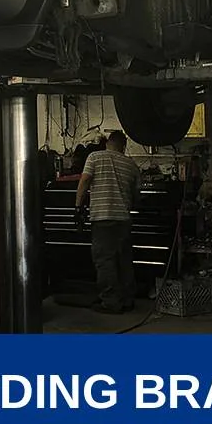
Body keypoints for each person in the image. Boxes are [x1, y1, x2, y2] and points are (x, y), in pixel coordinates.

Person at [74, 130, 141, 314]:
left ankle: (111, 302)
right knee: (124, 260)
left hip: (103, 219)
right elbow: (137, 197)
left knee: (105, 261)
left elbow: (85, 180)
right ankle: (127, 299)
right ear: (124, 145)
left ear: (107, 143)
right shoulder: (132, 165)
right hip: (124, 220)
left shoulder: (95, 157)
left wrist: (78, 207)